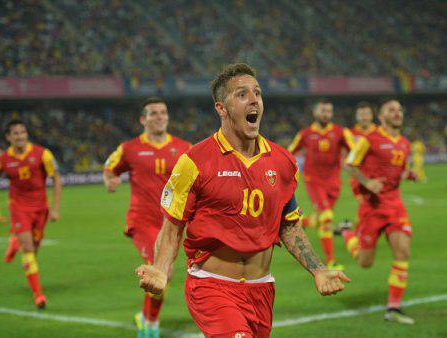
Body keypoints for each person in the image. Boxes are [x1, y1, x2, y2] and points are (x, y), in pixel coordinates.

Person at [136, 64, 349, 337]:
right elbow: (173, 226)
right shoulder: (195, 162)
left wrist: (318, 269)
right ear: (221, 109)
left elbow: (289, 225)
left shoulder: (283, 162)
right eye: (242, 94)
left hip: (262, 289)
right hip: (212, 287)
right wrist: (161, 270)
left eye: (257, 93)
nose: (254, 100)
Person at [103, 97, 191, 338]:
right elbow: (109, 167)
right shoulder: (129, 148)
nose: (159, 116)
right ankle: (150, 325)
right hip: (142, 221)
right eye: (153, 113)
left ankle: (145, 317)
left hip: (172, 223)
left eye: (163, 112)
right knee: (162, 271)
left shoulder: (184, 148)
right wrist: (110, 180)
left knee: (162, 272)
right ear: (143, 119)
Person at [340, 99, 417, 324]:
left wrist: (409, 174)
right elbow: (349, 164)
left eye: (399, 110)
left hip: (394, 205)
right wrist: (367, 182)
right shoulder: (368, 140)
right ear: (381, 117)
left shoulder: (405, 143)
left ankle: (393, 308)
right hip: (371, 207)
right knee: (365, 262)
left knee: (403, 251)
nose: (397, 113)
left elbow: (399, 171)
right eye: (391, 110)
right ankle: (346, 232)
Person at [0, 120, 61, 308]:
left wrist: (55, 208)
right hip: (18, 208)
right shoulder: (0, 160)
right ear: (8, 137)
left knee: (34, 248)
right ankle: (38, 295)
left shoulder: (43, 154)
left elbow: (56, 179)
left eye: (22, 132)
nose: (20, 136)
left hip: (41, 208)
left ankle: (15, 241)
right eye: (15, 133)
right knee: (28, 250)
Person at [288, 100, 354, 270]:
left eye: (329, 111)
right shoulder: (306, 134)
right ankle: (331, 261)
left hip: (334, 182)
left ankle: (302, 222)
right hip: (314, 181)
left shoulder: (341, 132)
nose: (326, 114)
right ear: (315, 112)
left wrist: (352, 162)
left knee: (322, 218)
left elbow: (355, 151)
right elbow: (289, 152)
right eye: (323, 110)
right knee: (326, 218)